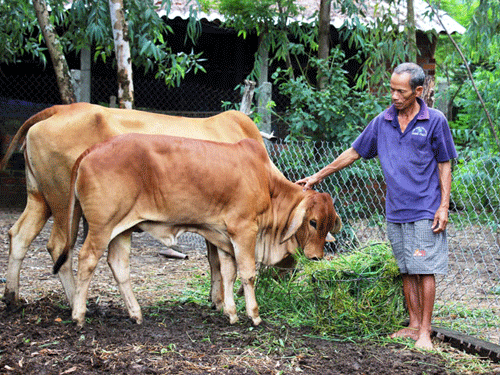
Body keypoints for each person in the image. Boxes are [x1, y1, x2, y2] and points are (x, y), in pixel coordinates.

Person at [296, 62, 457, 350]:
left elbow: (445, 164)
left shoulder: (435, 121)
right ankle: (413, 325)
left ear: (419, 91)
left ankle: (425, 333)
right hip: (396, 210)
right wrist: (318, 175)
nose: (394, 96)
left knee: (424, 269)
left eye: (401, 91)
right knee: (407, 269)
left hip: (425, 208)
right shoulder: (383, 122)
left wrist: (443, 206)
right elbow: (354, 152)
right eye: (391, 89)